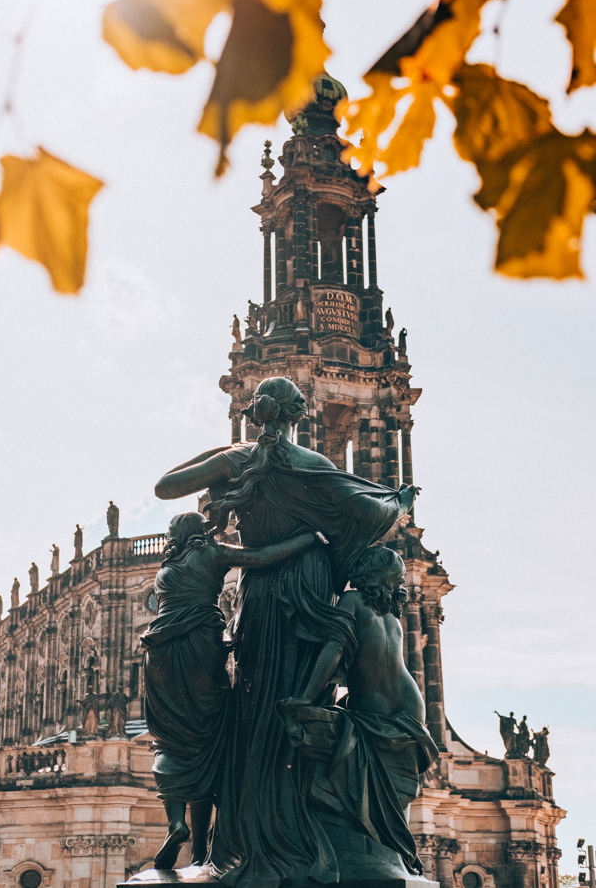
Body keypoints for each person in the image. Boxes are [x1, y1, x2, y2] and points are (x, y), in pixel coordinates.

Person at [154, 377, 418, 887]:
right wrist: (398, 503)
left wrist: (232, 454)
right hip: (312, 584)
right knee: (301, 701)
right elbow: (372, 515)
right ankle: (304, 831)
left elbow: (166, 487)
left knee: (258, 705)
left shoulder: (239, 458)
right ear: (299, 416)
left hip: (264, 590)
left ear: (255, 413)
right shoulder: (319, 468)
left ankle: (256, 838)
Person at [141, 511, 329, 871]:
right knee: (211, 742)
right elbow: (261, 557)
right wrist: (309, 538)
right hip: (202, 648)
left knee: (169, 742)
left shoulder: (165, 569)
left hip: (160, 655)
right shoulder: (213, 553)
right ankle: (199, 846)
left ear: (176, 535)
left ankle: (177, 822)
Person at [278, 546, 438, 878]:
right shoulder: (392, 616)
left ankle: (330, 856)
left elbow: (336, 651)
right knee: (388, 800)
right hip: (412, 712)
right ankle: (388, 861)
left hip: (376, 716)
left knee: (310, 766)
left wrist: (305, 698)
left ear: (367, 573)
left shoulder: (352, 602)